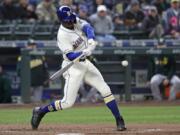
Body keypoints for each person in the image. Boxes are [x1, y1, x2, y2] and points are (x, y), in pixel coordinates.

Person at [31, 6, 126, 131]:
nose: (71, 22)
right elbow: (70, 55)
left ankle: (119, 119)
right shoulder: (62, 35)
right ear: (62, 20)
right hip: (72, 67)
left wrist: (91, 39)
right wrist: (82, 53)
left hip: (85, 63)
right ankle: (41, 111)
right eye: (68, 20)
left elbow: (88, 27)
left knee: (105, 90)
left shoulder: (74, 19)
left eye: (71, 19)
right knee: (67, 103)